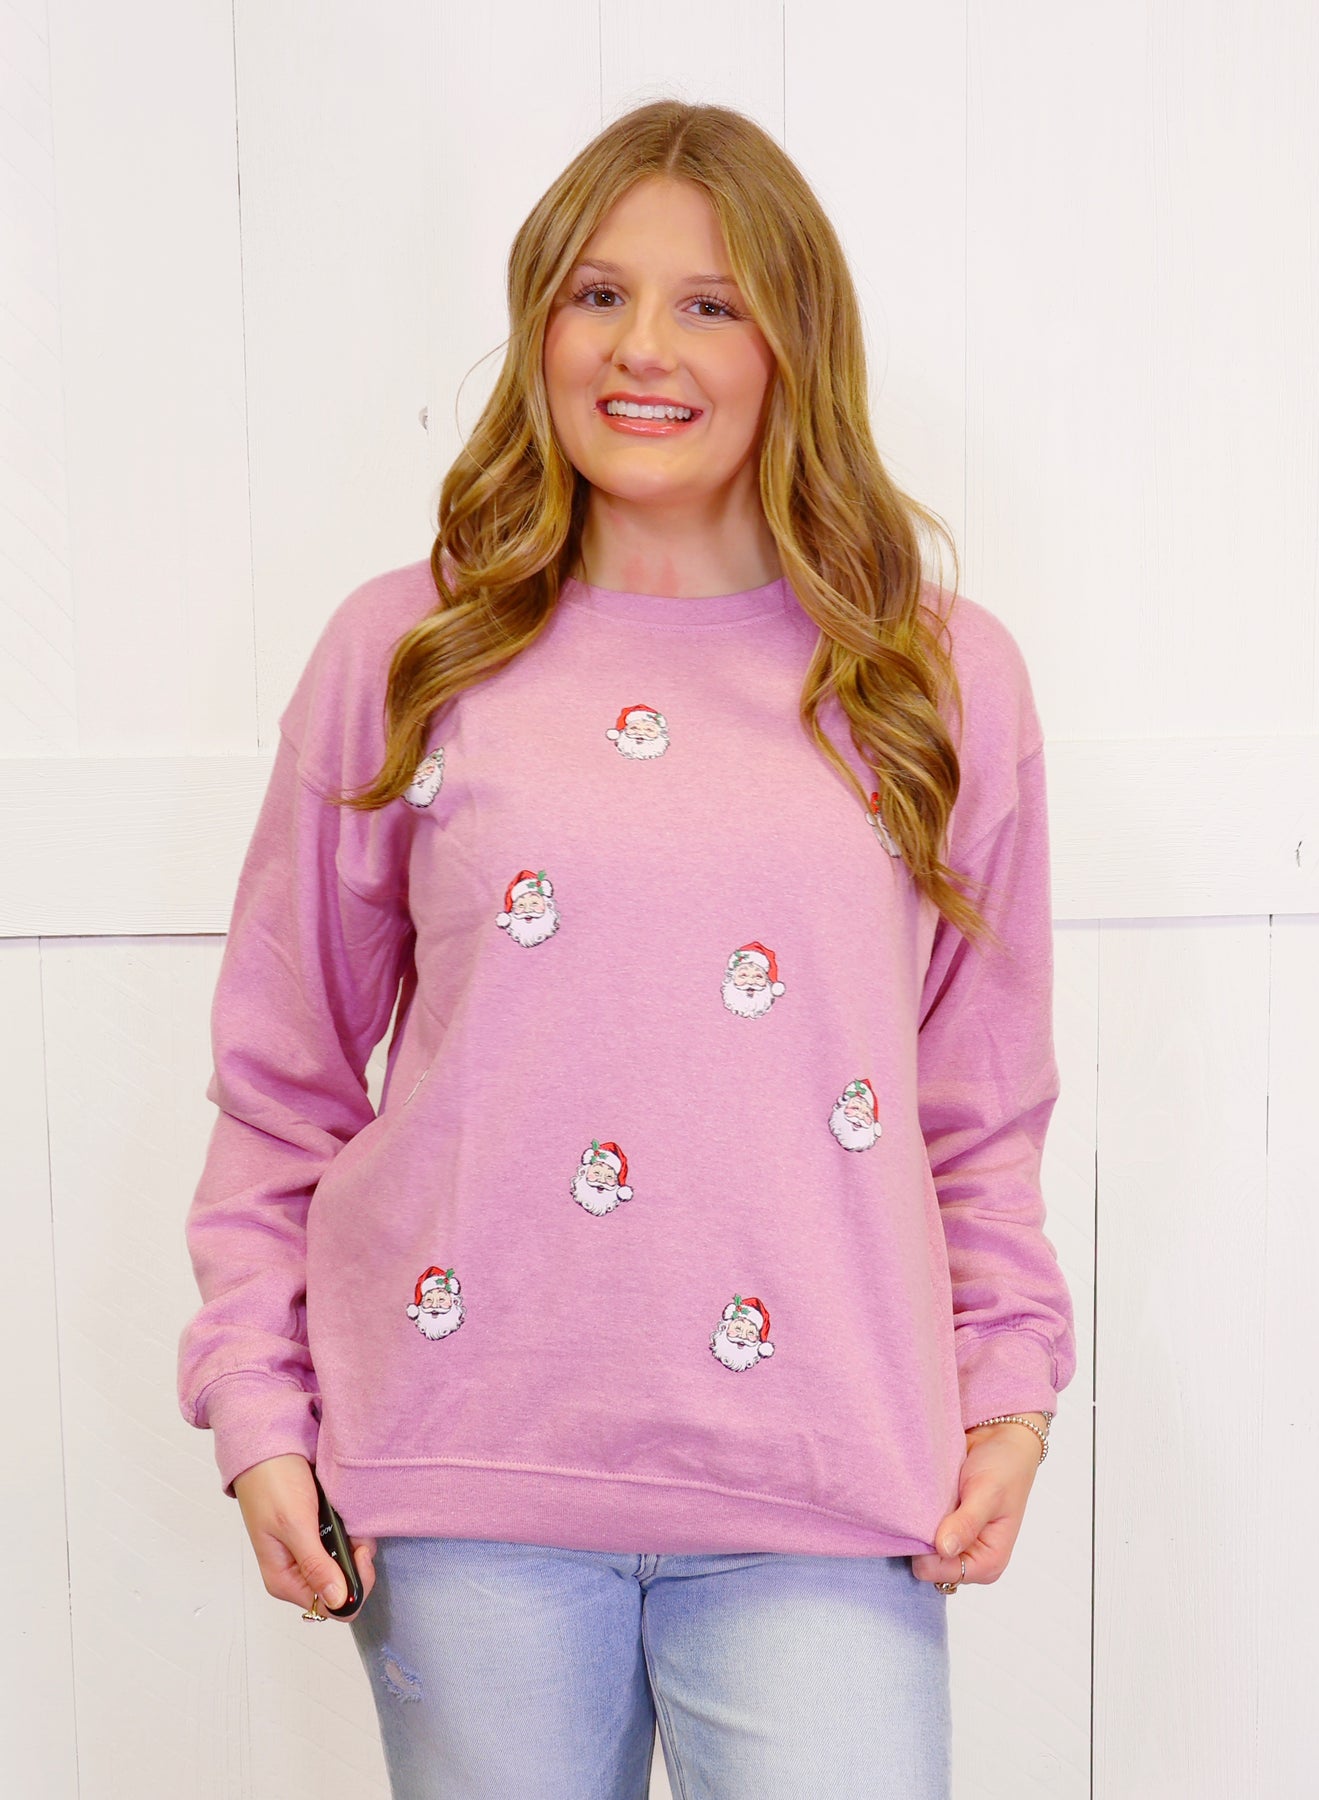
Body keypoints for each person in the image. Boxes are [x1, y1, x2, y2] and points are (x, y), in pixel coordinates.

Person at [176, 99, 1076, 1799]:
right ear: (538, 325)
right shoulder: (410, 650)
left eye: (708, 303)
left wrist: (1010, 1393)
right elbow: (283, 1082)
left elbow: (978, 1105)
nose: (641, 346)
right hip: (464, 1475)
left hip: (828, 1478)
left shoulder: (934, 677)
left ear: (794, 342)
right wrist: (256, 1405)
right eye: (597, 294)